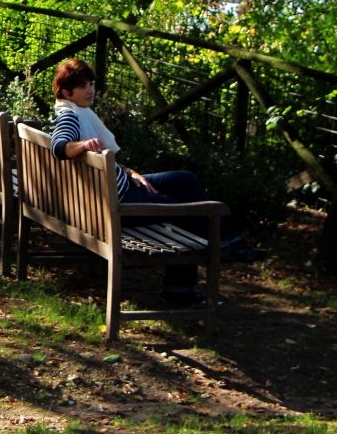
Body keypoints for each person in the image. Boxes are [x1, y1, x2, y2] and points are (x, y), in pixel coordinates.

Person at [48, 58, 264, 304]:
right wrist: (84, 144)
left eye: (91, 84)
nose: (90, 90)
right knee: (182, 211)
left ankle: (229, 242)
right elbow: (58, 146)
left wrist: (131, 173)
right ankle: (183, 289)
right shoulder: (70, 117)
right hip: (118, 204)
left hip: (118, 188)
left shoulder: (79, 112)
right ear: (66, 92)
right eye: (83, 86)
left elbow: (106, 162)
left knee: (185, 180)